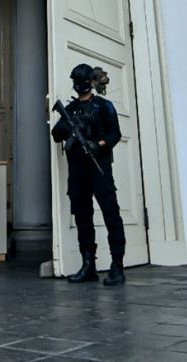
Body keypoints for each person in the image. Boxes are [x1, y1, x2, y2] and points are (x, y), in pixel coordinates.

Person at [51, 63, 126, 285]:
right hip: (77, 169)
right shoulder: (71, 109)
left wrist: (99, 143)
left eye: (83, 81)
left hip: (98, 165)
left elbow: (115, 133)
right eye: (76, 81)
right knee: (83, 217)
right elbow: (56, 134)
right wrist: (67, 126)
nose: (80, 85)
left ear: (92, 82)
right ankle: (88, 266)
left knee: (110, 213)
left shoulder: (104, 106)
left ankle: (117, 266)